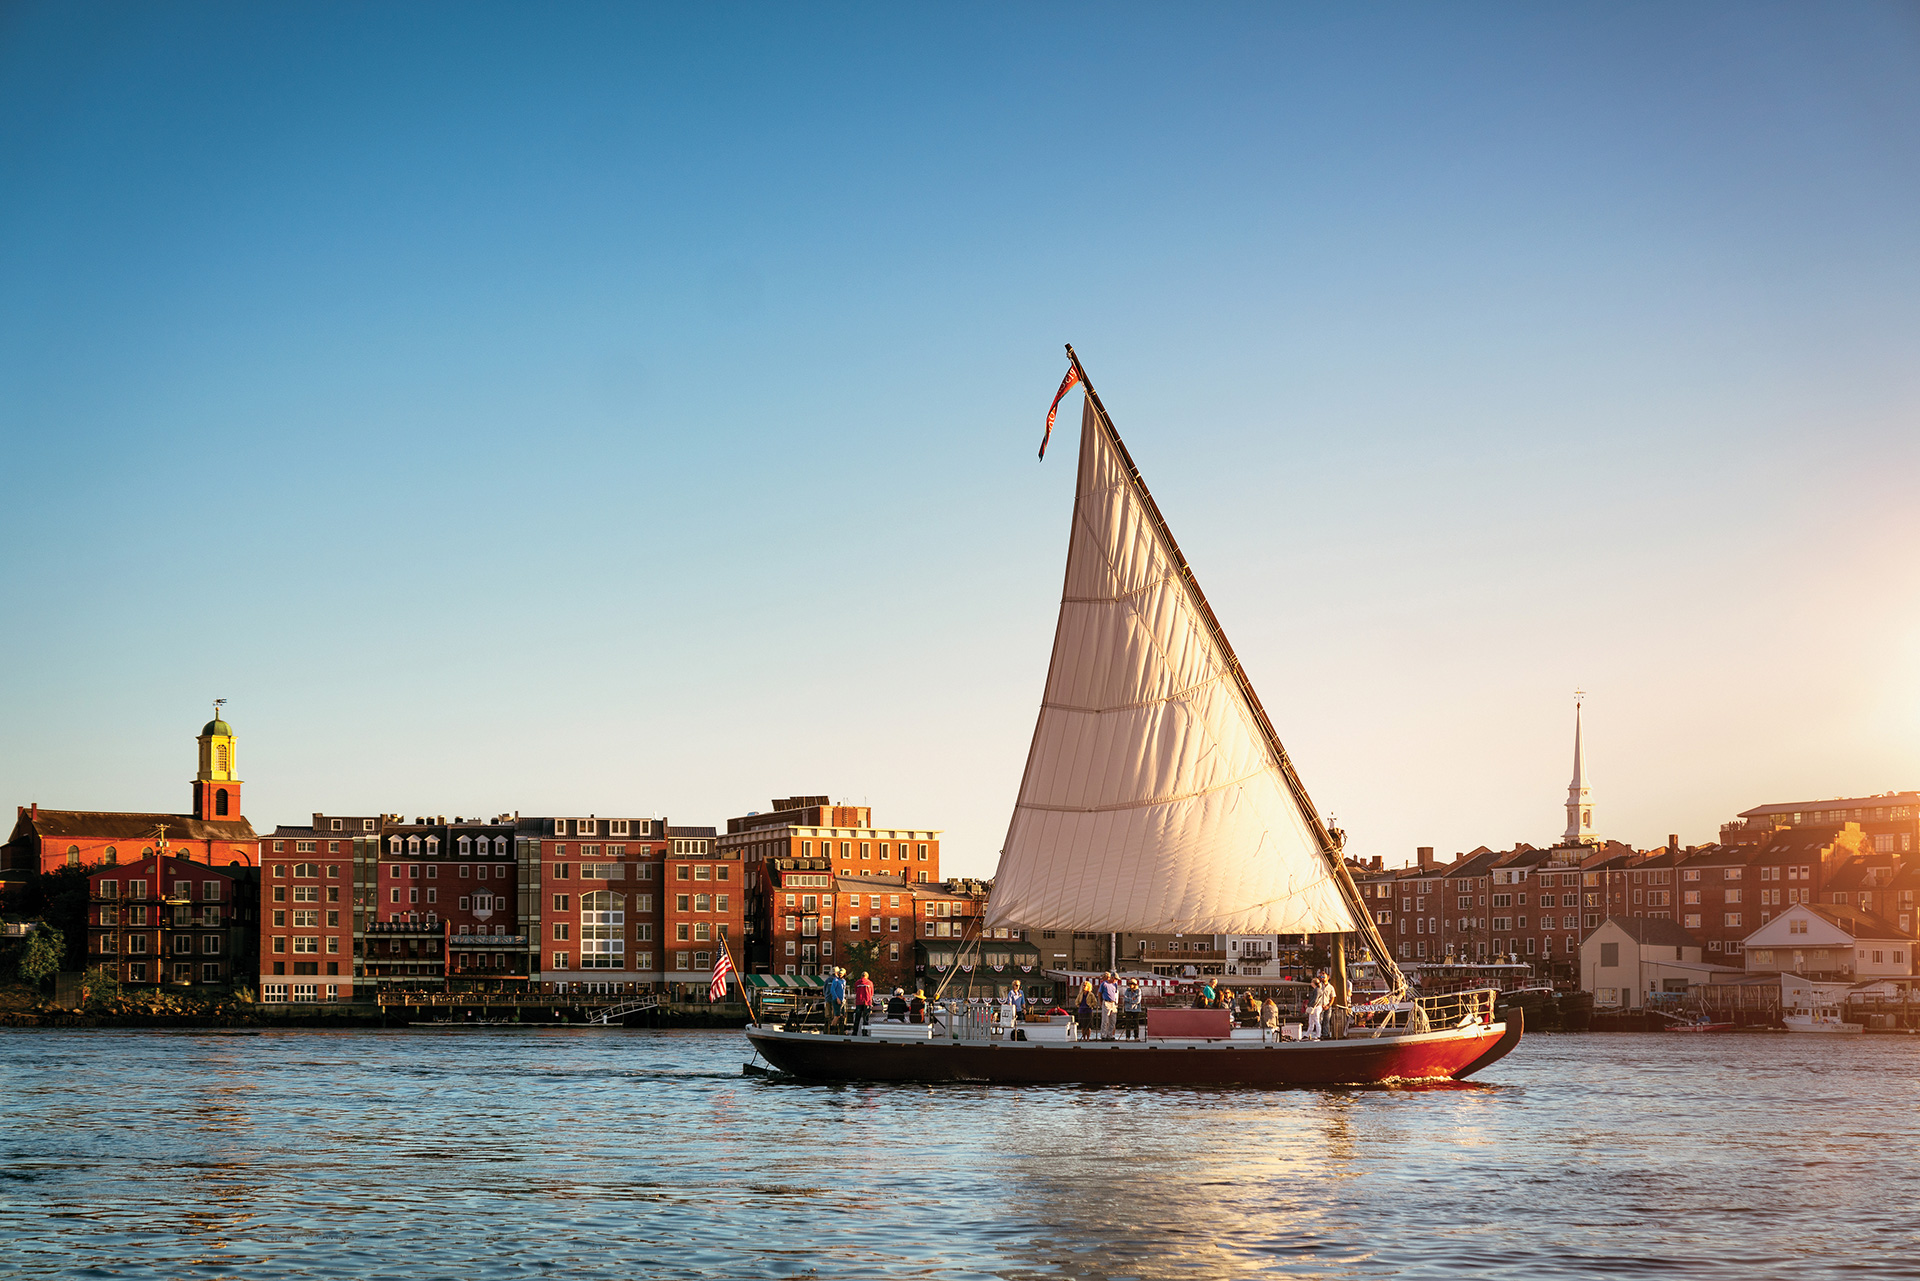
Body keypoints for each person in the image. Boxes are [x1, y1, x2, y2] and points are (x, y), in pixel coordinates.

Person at [1097, 971, 1120, 1040]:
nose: (1116, 980)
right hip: (1106, 1002)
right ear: (1112, 977)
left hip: (1113, 1003)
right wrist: (1101, 1002)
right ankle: (1103, 1035)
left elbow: (1116, 993)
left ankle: (1110, 1035)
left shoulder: (1115, 984)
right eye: (1115, 979)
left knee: (1113, 1020)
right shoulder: (1104, 984)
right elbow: (1099, 993)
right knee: (1105, 1020)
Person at [852, 971, 875, 1036]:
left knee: (857, 1019)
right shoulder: (870, 983)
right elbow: (871, 993)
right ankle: (864, 1033)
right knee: (865, 1019)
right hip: (867, 1002)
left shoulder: (857, 983)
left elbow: (856, 991)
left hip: (859, 1002)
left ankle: (854, 1032)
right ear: (867, 976)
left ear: (861, 976)